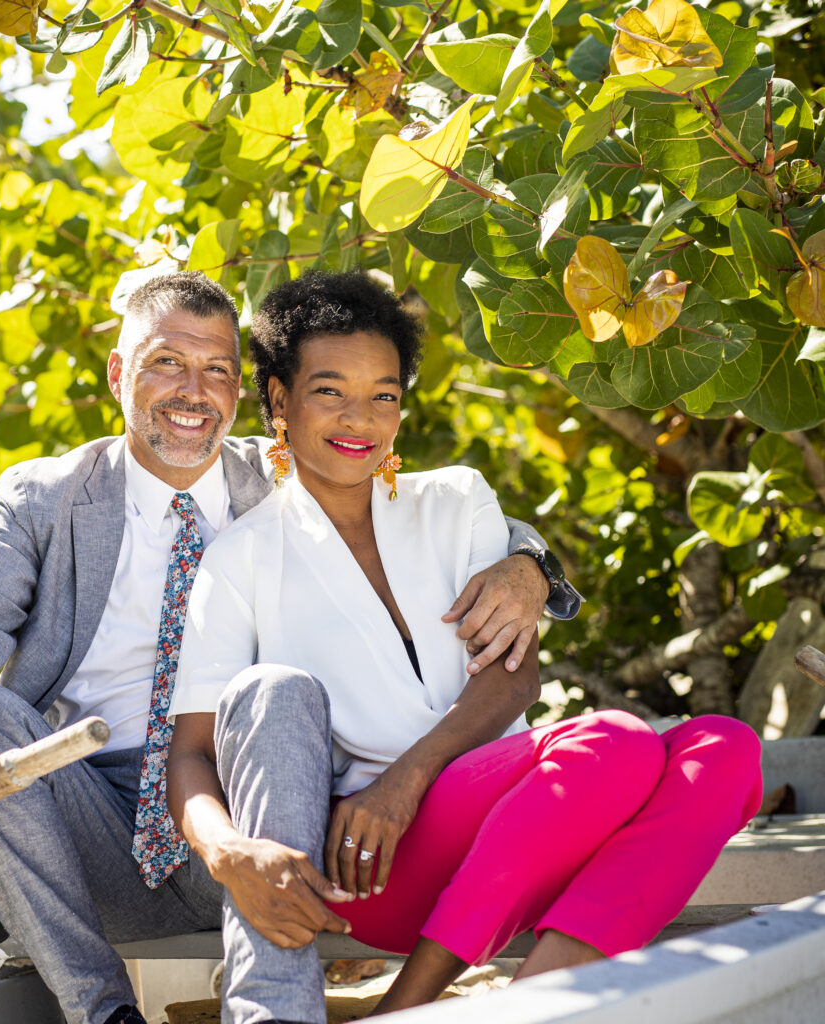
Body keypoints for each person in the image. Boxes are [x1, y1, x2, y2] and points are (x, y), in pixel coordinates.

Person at [0, 271, 575, 1024]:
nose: (193, 391)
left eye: (216, 369)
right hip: (85, 837)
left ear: (247, 393)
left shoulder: (285, 473)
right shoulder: (47, 499)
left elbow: (421, 510)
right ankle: (103, 1010)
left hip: (256, 798)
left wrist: (529, 566)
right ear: (119, 373)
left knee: (274, 689)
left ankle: (272, 1013)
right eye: (166, 364)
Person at [167, 270, 764, 1024]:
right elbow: (190, 755)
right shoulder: (242, 557)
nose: (362, 417)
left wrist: (408, 779)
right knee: (617, 742)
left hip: (524, 824)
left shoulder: (456, 501)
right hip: (376, 864)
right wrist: (227, 851)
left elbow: (512, 683)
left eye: (384, 394)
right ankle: (415, 1006)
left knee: (729, 745)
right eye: (329, 391)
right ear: (280, 399)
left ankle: (527, 1004)